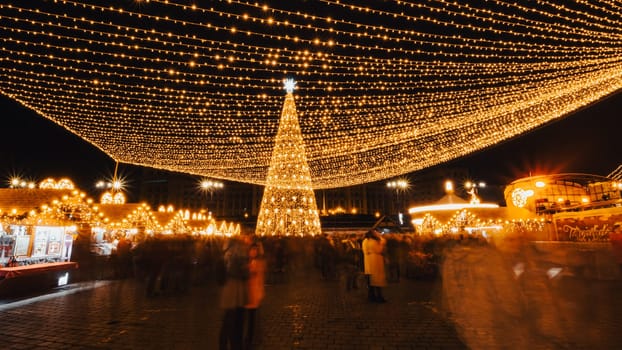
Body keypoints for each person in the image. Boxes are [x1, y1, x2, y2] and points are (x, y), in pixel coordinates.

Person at [219, 235, 251, 350]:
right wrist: (246, 270)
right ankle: (235, 344)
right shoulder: (237, 254)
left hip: (229, 288)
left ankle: (224, 343)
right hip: (235, 288)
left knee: (228, 318)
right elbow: (242, 272)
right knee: (235, 319)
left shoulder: (226, 253)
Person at [244, 241, 266, 349]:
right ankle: (251, 337)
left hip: (253, 293)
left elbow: (254, 275)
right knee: (250, 317)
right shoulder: (251, 261)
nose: (252, 252)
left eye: (254, 250)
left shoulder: (257, 262)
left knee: (252, 318)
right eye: (251, 250)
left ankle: (250, 339)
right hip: (249, 293)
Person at [362, 229, 387, 303]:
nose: (378, 234)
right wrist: (382, 243)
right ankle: (378, 296)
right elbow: (379, 250)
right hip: (375, 262)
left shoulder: (366, 241)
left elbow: (365, 251)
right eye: (376, 233)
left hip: (370, 262)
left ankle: (372, 296)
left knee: (371, 281)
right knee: (376, 280)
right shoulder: (374, 241)